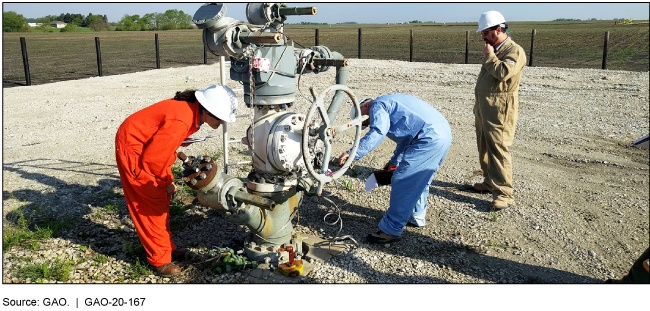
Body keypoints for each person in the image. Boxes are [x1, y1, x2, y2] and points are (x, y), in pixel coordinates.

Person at [115, 84, 238, 276]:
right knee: (150, 206)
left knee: (160, 203)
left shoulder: (191, 111)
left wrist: (166, 172)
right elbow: (153, 160)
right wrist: (167, 182)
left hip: (145, 144)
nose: (222, 122)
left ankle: (167, 250)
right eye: (220, 118)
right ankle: (159, 261)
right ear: (207, 110)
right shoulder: (182, 119)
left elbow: (160, 149)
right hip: (134, 147)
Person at [338, 95, 452, 244]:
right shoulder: (392, 103)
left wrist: (353, 153)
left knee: (404, 181)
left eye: (366, 121)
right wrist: (394, 161)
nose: (369, 123)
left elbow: (378, 132)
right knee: (420, 179)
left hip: (428, 137)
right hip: (441, 134)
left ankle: (391, 230)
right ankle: (416, 216)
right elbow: (407, 137)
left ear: (364, 107)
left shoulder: (378, 105)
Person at [472, 11, 526, 210]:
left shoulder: (514, 51)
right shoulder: (494, 49)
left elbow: (503, 73)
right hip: (484, 107)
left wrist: (489, 56)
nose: (483, 37)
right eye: (482, 33)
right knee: (484, 146)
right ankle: (489, 182)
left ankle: (504, 193)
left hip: (500, 109)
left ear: (498, 29)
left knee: (498, 149)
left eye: (486, 32)